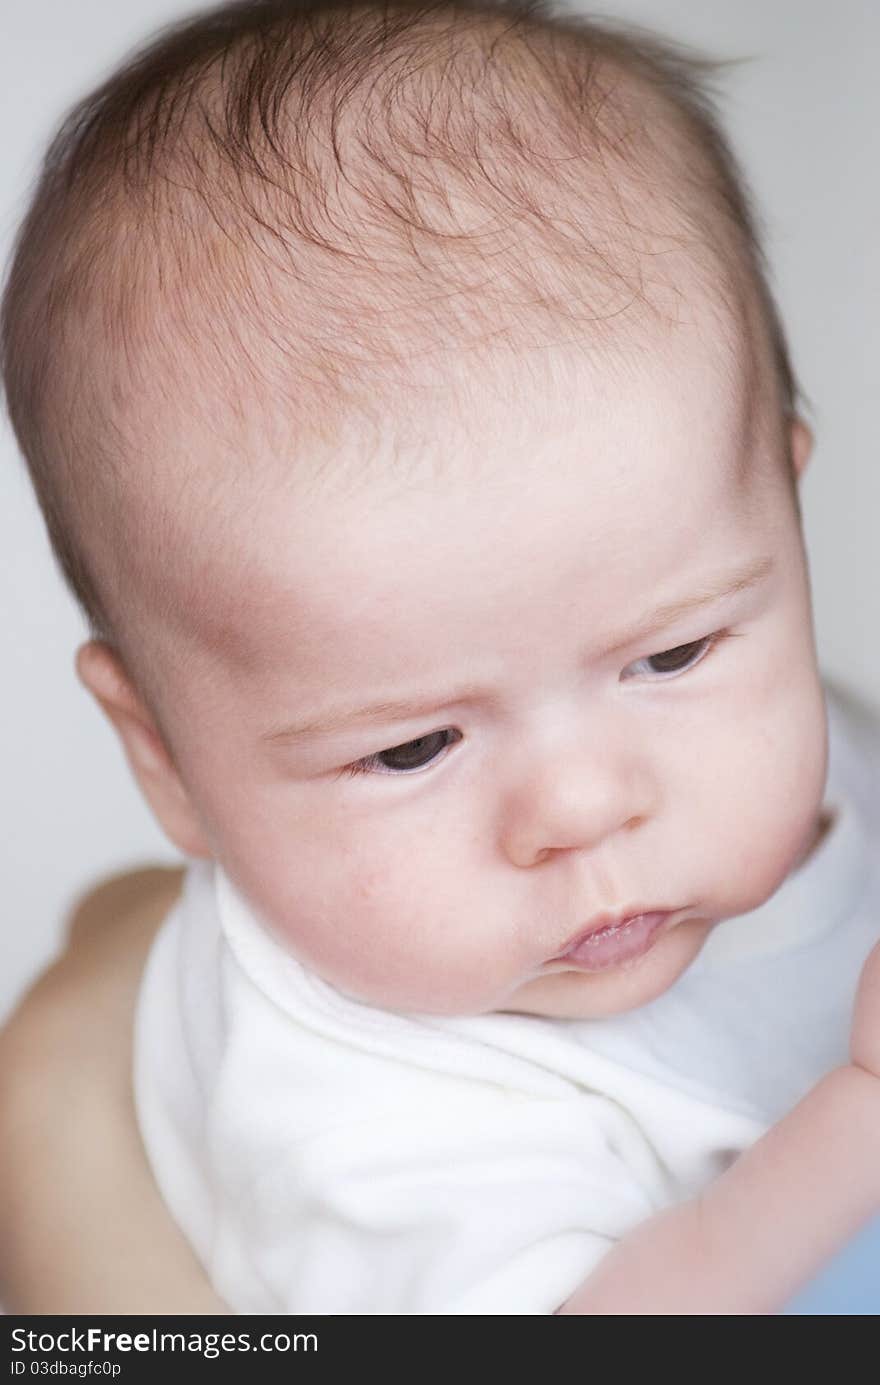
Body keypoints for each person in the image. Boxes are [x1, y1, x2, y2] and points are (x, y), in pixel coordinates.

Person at [2, 0, 879, 1313]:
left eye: (676, 652)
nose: (587, 804)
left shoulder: (760, 733)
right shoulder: (359, 1111)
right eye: (414, 744)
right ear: (162, 757)